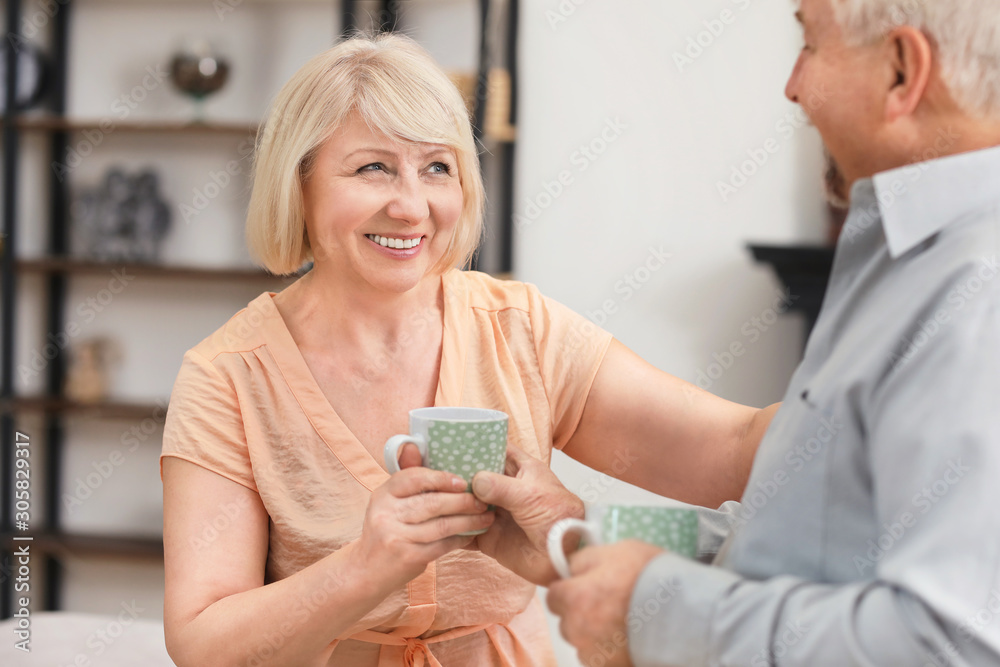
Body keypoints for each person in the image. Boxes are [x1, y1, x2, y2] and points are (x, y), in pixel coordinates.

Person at [159, 33, 778, 666]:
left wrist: (867, 392)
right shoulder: (228, 376)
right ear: (300, 184)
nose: (411, 205)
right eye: (373, 167)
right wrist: (365, 568)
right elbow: (204, 644)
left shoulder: (520, 330)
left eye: (437, 167)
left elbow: (735, 452)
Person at [472, 0, 1000, 664]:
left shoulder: (978, 295)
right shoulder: (901, 259)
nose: (792, 86)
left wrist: (653, 606)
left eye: (809, 44)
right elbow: (798, 539)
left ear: (902, 70)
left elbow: (950, 641)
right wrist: (581, 539)